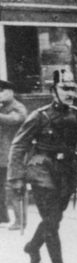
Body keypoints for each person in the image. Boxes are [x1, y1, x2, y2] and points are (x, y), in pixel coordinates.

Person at [8, 70, 77, 263]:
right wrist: (16, 176)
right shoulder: (39, 115)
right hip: (42, 169)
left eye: (73, 89)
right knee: (52, 219)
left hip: (66, 171)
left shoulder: (76, 114)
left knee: (54, 217)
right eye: (65, 88)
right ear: (53, 90)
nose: (70, 93)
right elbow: (19, 145)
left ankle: (32, 247)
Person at [0, 80, 27, 228]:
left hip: (12, 155)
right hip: (1, 156)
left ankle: (20, 221)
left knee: (14, 188)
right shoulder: (2, 107)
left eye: (1, 91)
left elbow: (16, 119)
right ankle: (3, 219)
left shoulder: (17, 107)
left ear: (10, 92)